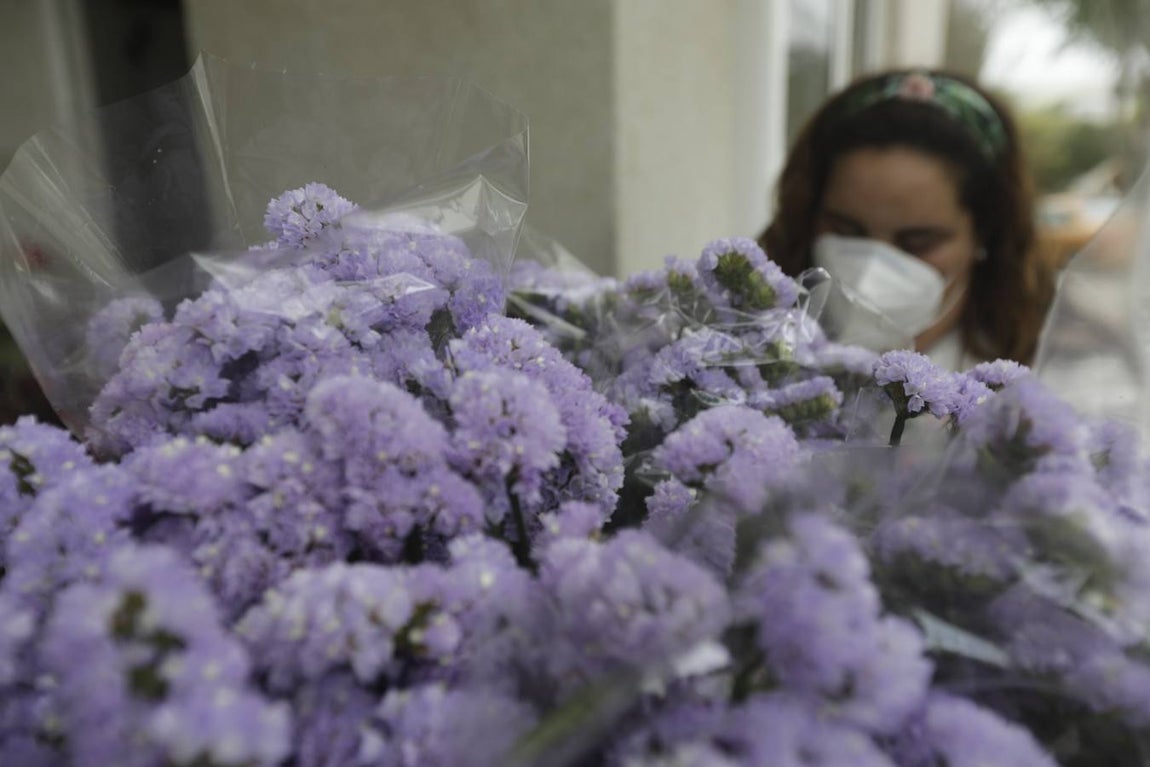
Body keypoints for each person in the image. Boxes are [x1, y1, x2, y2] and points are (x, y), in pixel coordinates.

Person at [758, 68, 1054, 369]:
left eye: (917, 242)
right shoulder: (746, 351)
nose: (870, 272)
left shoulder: (1034, 382)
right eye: (846, 230)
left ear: (985, 233)